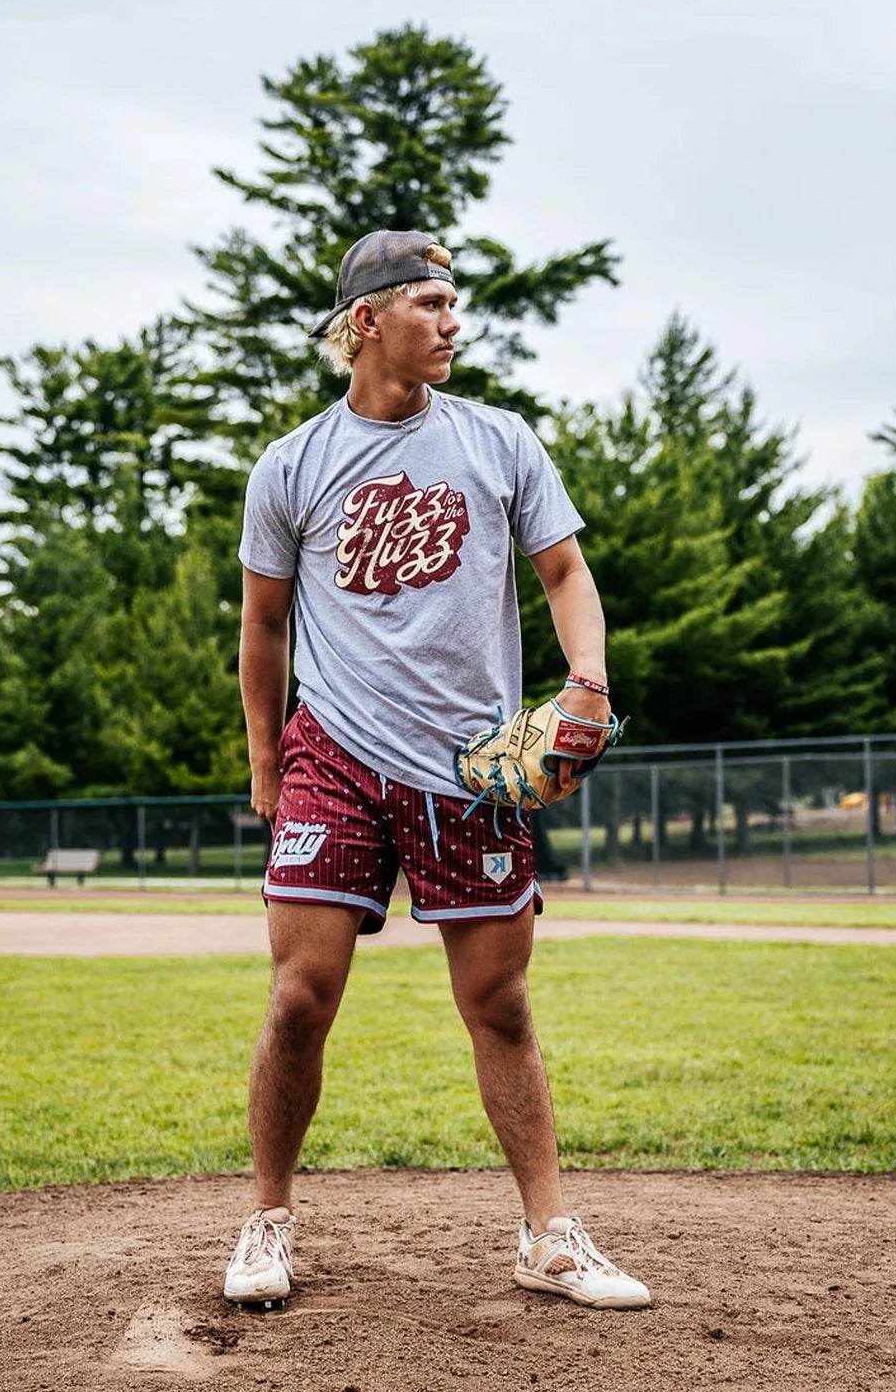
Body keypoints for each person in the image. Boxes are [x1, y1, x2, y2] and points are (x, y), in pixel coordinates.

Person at [227, 229, 649, 1312]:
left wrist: (585, 677)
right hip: (337, 751)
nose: (452, 320)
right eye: (429, 301)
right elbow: (263, 625)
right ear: (365, 320)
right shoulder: (294, 465)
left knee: (499, 1000)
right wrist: (268, 763)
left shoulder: (500, 442)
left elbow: (563, 570)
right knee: (300, 994)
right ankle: (267, 1218)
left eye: (455, 302)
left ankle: (548, 1235)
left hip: (471, 764)